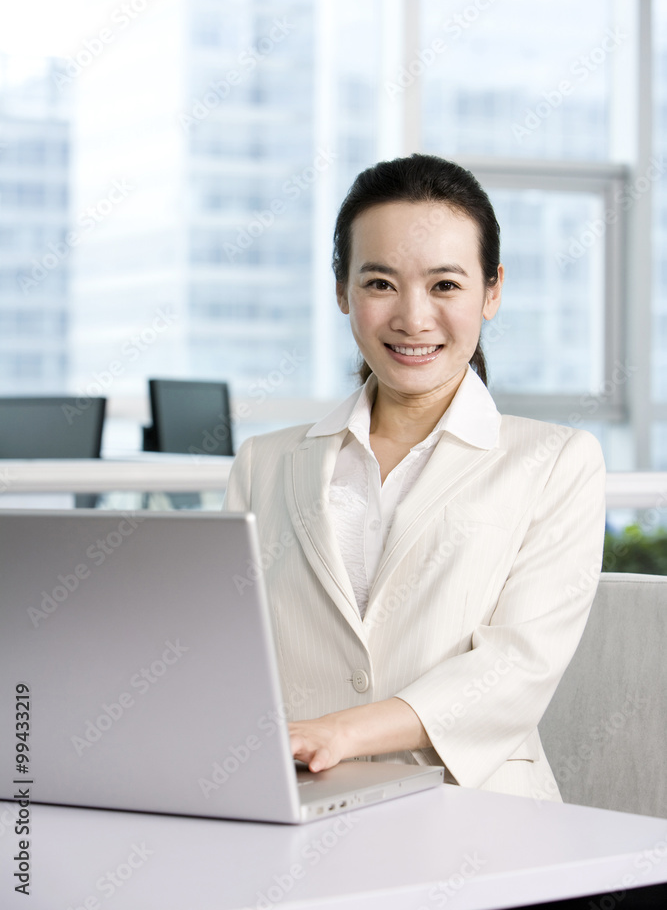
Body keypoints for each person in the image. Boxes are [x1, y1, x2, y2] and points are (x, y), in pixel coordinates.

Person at [224, 154, 606, 801]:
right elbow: (226, 652)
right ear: (341, 289)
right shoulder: (265, 462)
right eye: (379, 283)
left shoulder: (556, 461)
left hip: (478, 813)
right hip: (292, 804)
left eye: (445, 285)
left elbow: (516, 667)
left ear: (491, 290)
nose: (412, 317)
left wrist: (340, 732)